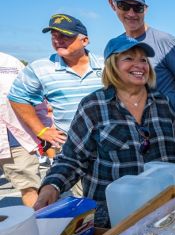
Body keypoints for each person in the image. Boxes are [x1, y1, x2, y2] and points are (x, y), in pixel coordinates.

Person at [33, 36, 175, 228]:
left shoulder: (162, 102)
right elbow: (72, 158)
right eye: (129, 58)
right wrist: (51, 187)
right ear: (112, 65)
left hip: (165, 213)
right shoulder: (93, 106)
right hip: (113, 216)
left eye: (143, 60)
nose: (139, 65)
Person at [8, 14, 104, 197]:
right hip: (73, 151)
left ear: (85, 40)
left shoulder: (107, 65)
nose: (58, 40)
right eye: (54, 36)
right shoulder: (40, 68)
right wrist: (41, 131)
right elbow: (17, 97)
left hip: (110, 147)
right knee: (86, 205)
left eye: (65, 36)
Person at [108, 0, 175, 143]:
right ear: (112, 4)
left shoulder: (165, 41)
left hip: (168, 127)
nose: (131, 13)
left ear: (145, 9)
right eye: (124, 6)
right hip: (129, 129)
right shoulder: (114, 46)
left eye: (137, 8)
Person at [0, 52, 51, 207]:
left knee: (29, 186)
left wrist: (43, 129)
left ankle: (40, 227)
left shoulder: (10, 63)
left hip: (14, 137)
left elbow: (34, 97)